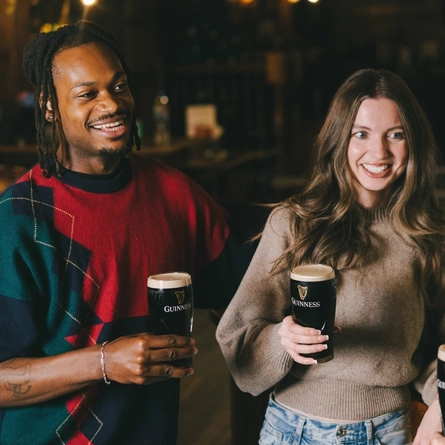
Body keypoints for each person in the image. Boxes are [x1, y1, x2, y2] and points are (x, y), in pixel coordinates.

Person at [0, 21, 246, 445]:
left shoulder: (173, 193)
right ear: (48, 105)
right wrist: (102, 362)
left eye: (119, 86)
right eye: (87, 93)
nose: (111, 103)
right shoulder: (21, 220)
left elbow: (246, 283)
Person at [216, 68, 445, 444]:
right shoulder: (293, 224)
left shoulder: (427, 235)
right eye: (361, 134)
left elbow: (436, 351)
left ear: (413, 142)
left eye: (396, 135)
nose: (380, 152)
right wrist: (281, 339)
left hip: (393, 432)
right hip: (296, 431)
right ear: (339, 140)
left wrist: (437, 409)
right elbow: (239, 349)